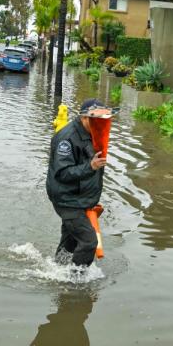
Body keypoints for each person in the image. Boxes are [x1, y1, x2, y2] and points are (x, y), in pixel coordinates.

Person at [46, 99, 110, 267]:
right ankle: (77, 283)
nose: (99, 123)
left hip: (79, 198)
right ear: (83, 118)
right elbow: (63, 173)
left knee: (70, 243)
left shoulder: (93, 134)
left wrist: (90, 199)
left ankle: (57, 271)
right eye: (94, 119)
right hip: (67, 200)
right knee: (89, 241)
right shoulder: (67, 138)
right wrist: (90, 166)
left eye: (102, 120)